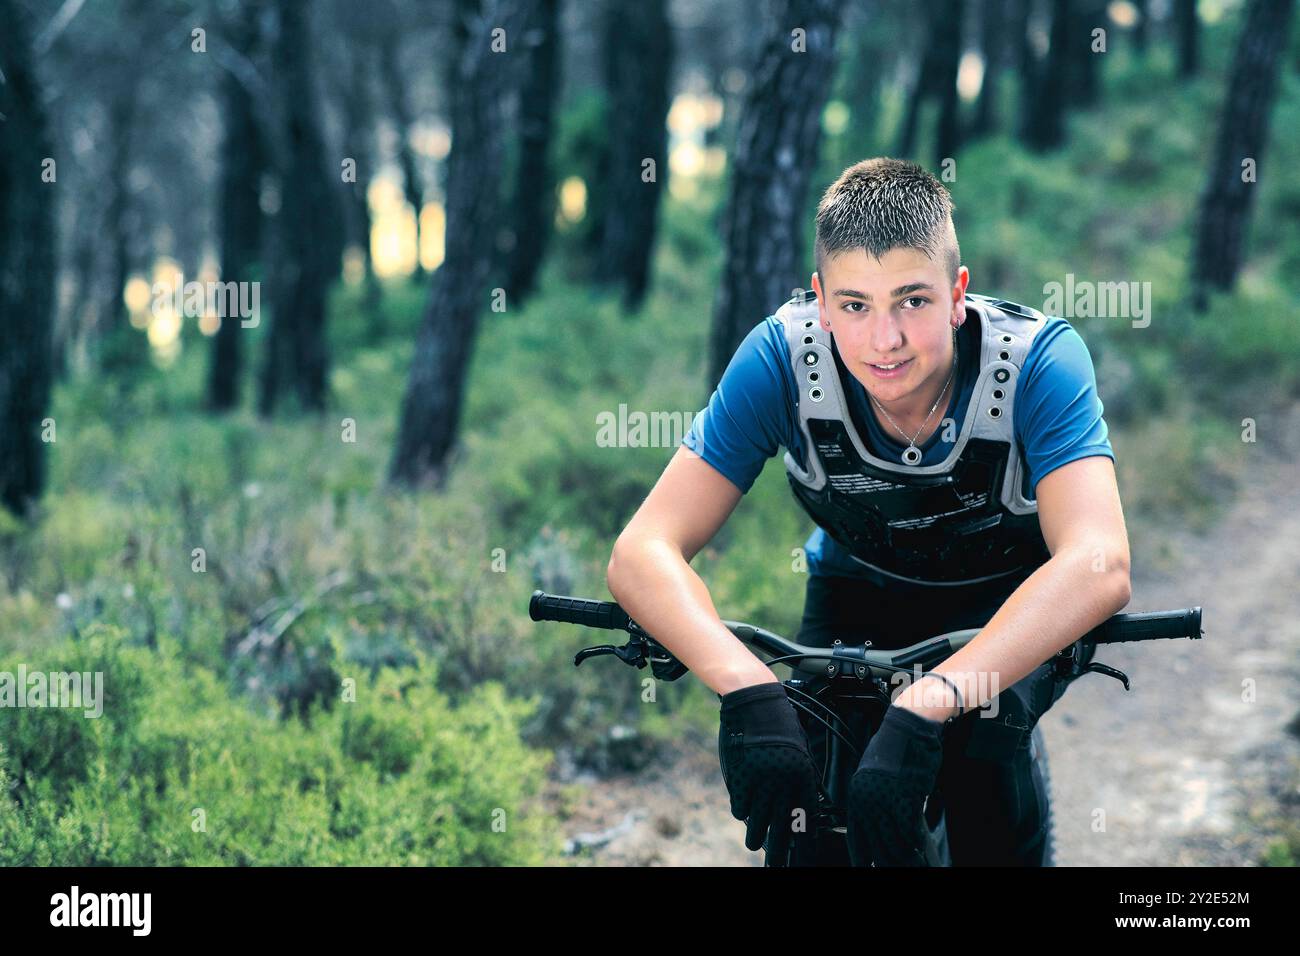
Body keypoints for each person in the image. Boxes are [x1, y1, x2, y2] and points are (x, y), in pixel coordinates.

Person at [605, 157, 1132, 866]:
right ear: (821, 300)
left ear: (957, 293)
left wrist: (933, 700)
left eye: (913, 300)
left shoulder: (1039, 362)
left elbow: (1099, 565)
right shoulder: (779, 361)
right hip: (858, 591)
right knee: (808, 800)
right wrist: (747, 689)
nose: (885, 340)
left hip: (1008, 605)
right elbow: (642, 551)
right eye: (855, 305)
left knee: (983, 759)